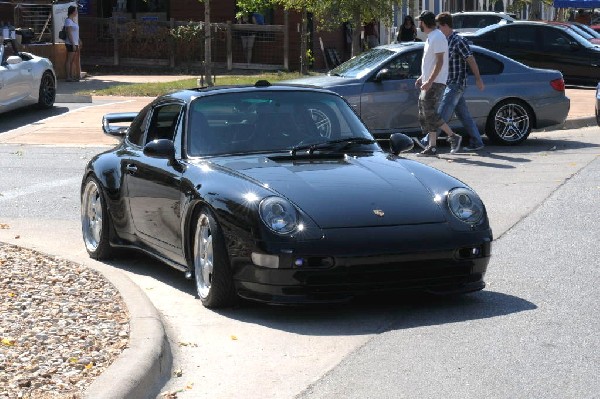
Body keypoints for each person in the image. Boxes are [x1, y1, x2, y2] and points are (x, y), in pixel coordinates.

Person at [418, 12, 485, 151]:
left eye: (439, 26)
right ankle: (477, 141)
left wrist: (478, 78)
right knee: (464, 115)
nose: (437, 28)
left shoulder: (458, 41)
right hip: (448, 82)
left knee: (440, 112)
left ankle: (429, 142)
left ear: (446, 26)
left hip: (456, 83)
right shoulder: (443, 39)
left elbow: (471, 60)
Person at [414, 10, 462, 157]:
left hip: (436, 82)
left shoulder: (438, 37)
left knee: (429, 112)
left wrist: (429, 81)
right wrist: (423, 77)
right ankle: (432, 146)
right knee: (427, 112)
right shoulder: (430, 37)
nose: (419, 24)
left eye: (420, 22)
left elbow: (440, 62)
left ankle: (453, 136)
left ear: (424, 22)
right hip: (430, 81)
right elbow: (430, 62)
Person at [64, 5, 81, 82]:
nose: (77, 12)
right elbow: (69, 33)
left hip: (75, 42)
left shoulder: (73, 21)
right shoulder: (68, 21)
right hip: (70, 43)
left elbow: (75, 33)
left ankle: (72, 75)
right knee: (69, 60)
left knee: (73, 60)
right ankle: (68, 76)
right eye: (76, 10)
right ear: (73, 12)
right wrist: (73, 43)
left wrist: (79, 40)